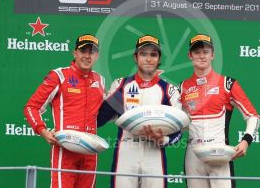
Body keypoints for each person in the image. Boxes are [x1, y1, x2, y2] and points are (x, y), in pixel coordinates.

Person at [97, 34, 181, 188]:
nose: (148, 59)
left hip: (154, 153)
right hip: (126, 153)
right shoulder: (121, 84)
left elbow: (179, 130)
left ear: (159, 58)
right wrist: (120, 92)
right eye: (143, 54)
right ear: (135, 57)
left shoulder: (169, 90)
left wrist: (163, 140)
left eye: (153, 55)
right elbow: (99, 119)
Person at [24, 34, 105, 188]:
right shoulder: (59, 76)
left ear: (97, 56)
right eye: (83, 51)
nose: (87, 56)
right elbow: (31, 107)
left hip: (90, 153)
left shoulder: (100, 80)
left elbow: (103, 113)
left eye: (92, 52)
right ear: (75, 53)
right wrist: (43, 131)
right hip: (65, 150)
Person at [180, 34, 259, 188]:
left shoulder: (227, 84)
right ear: (190, 55)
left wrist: (245, 141)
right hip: (193, 155)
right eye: (196, 52)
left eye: (206, 51)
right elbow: (180, 124)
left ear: (213, 55)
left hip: (220, 153)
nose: (201, 56)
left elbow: (253, 116)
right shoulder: (183, 87)